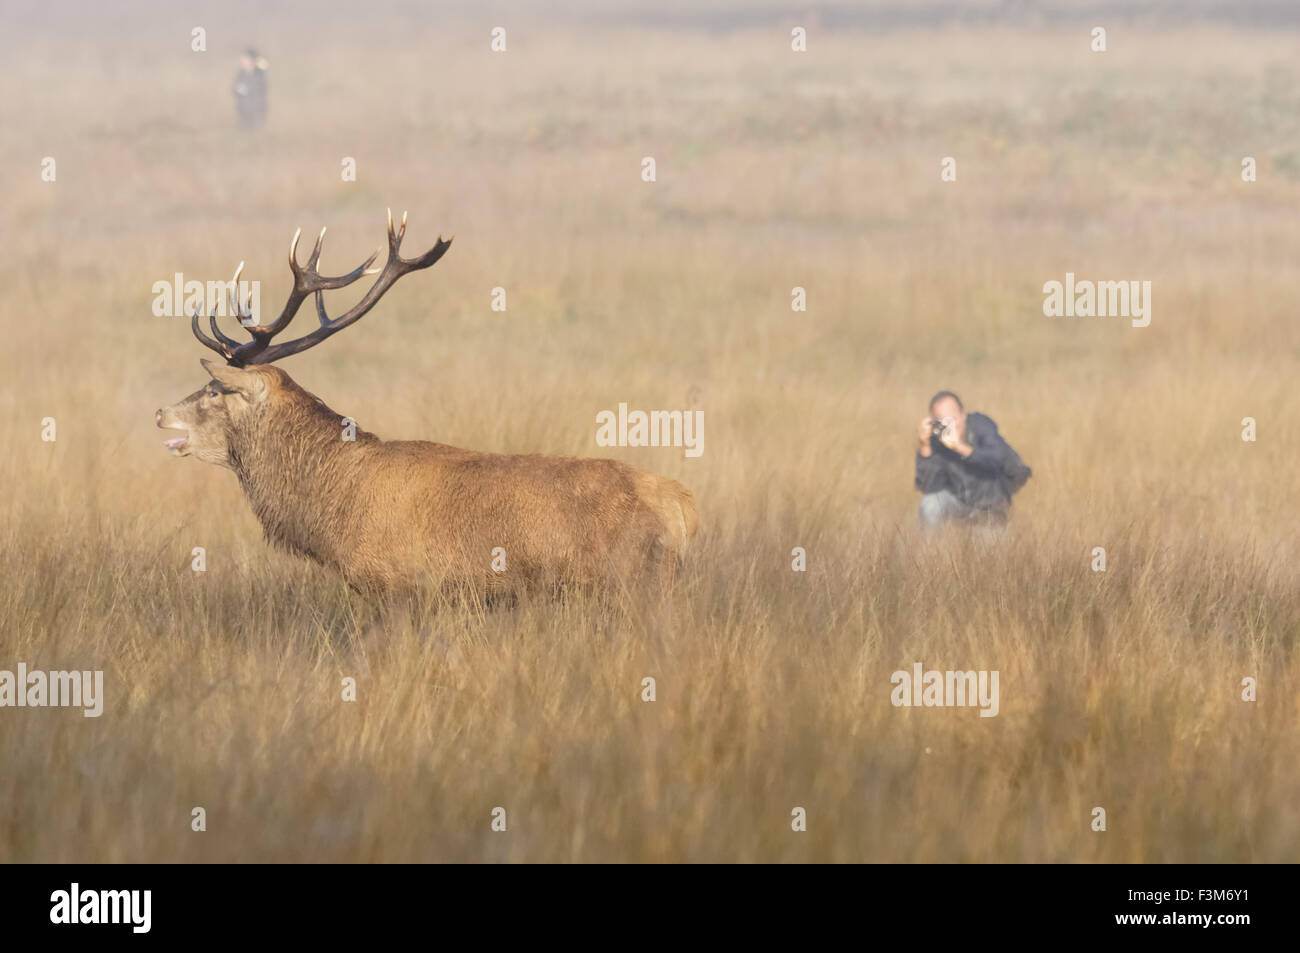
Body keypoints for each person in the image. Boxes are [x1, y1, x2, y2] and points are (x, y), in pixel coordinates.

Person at [915, 390, 1031, 529]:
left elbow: (997, 459)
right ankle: (930, 550)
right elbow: (929, 488)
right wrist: (925, 447)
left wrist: (960, 447)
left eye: (953, 419)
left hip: (990, 507)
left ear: (964, 415)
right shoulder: (936, 441)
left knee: (990, 547)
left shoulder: (981, 425)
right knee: (930, 504)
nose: (950, 426)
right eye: (944, 422)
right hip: (957, 504)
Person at [233, 49, 269, 129]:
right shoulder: (241, 74)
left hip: (256, 113)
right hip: (243, 112)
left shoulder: (260, 74)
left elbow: (260, 91)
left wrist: (247, 90)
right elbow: (234, 89)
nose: (242, 61)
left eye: (245, 59)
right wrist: (238, 90)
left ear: (251, 60)